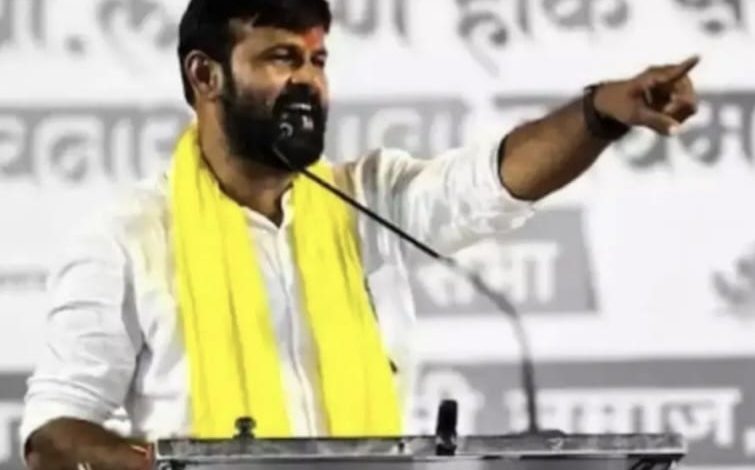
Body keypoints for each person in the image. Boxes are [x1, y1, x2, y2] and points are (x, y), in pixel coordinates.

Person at [20, 0, 699, 469]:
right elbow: (53, 433)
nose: (308, 83)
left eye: (318, 61)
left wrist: (600, 114)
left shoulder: (367, 199)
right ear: (206, 75)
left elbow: (491, 181)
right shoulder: (125, 238)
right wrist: (170, 469)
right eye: (281, 58)